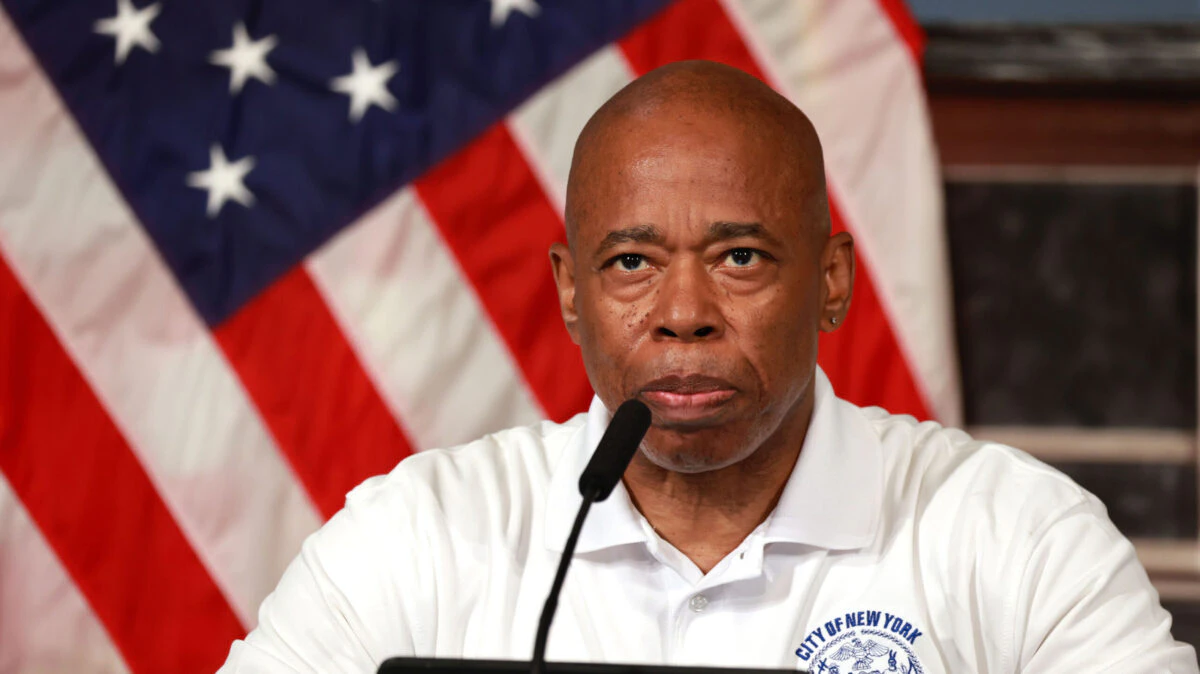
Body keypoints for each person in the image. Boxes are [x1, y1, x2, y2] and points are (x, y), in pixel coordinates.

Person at [218, 60, 1198, 673]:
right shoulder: (419, 535)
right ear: (570, 291)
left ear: (830, 281)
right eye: (632, 263)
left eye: (740, 257)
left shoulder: (1014, 535)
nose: (683, 315)